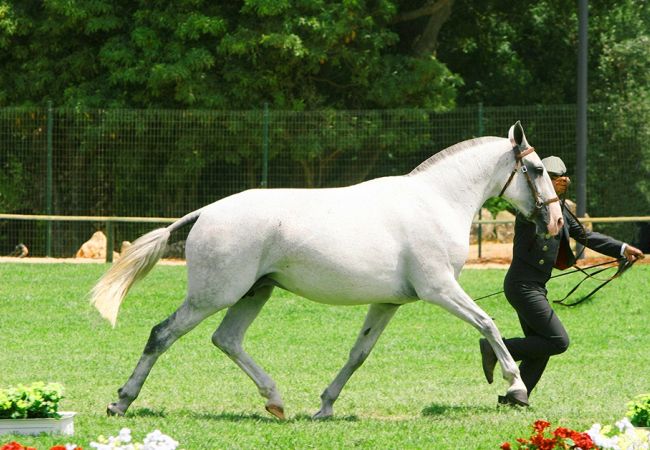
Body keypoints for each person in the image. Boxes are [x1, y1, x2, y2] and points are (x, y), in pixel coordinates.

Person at [479, 156, 644, 406]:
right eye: (557, 178)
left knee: (542, 345)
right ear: (544, 181)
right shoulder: (530, 209)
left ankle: (516, 398)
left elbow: (585, 236)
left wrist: (622, 249)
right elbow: (543, 222)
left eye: (565, 177)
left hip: (534, 286)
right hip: (523, 286)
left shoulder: (560, 209)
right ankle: (496, 348)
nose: (565, 181)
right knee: (557, 341)